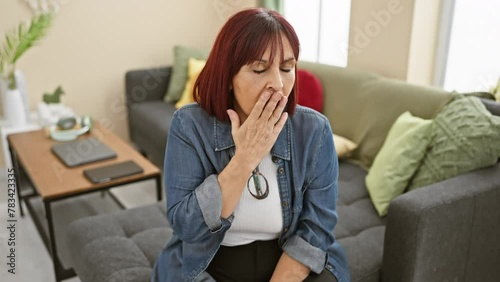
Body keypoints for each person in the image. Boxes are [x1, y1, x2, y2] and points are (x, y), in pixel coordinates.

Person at [151, 7, 350, 282]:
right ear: (228, 75)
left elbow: (317, 228)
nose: (278, 84)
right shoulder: (189, 125)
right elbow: (187, 227)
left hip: (289, 257)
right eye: (259, 69)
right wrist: (245, 158)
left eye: (287, 68)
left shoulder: (315, 130)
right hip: (209, 259)